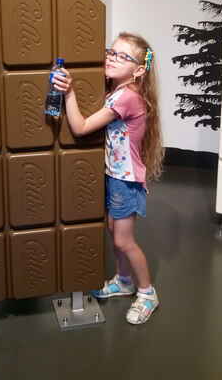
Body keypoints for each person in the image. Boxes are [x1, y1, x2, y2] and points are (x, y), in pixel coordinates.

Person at [53, 32, 164, 324]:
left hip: (125, 181)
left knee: (125, 242)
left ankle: (147, 293)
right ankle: (123, 281)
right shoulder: (118, 91)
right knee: (115, 235)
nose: (112, 58)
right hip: (116, 176)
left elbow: (80, 127)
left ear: (138, 70)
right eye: (111, 52)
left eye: (122, 56)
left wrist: (69, 93)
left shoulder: (127, 97)